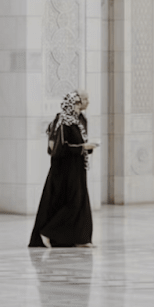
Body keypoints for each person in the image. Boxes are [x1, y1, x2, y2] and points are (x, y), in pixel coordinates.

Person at [28, 90, 98, 248]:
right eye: (85, 98)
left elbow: (77, 143)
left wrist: (86, 148)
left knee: (80, 202)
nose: (88, 101)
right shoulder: (63, 121)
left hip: (77, 168)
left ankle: (80, 239)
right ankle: (47, 232)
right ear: (76, 102)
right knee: (71, 202)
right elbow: (58, 149)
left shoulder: (80, 120)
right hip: (64, 171)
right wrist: (82, 147)